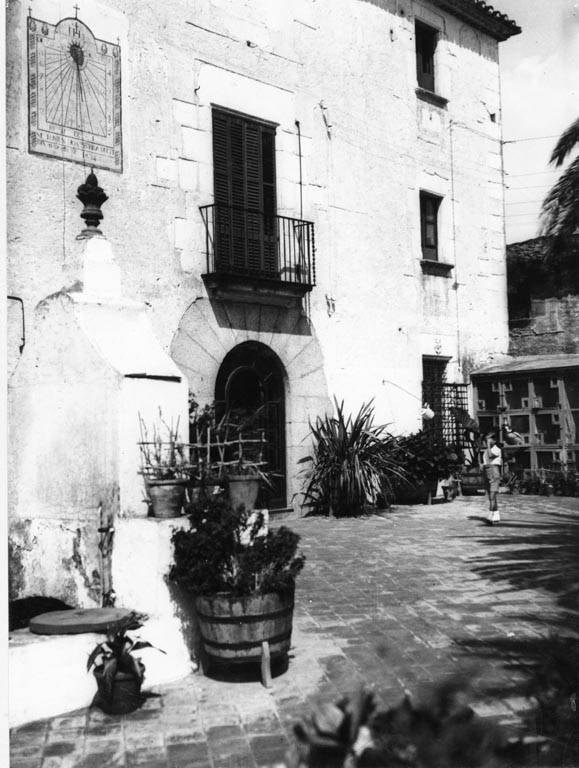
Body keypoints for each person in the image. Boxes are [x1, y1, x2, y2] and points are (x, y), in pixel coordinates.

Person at [481, 432, 502, 524]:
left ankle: (491, 515)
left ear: (494, 440)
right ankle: (496, 515)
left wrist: (489, 445)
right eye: (486, 440)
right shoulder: (487, 450)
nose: (487, 441)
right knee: (490, 494)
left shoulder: (497, 448)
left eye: (489, 439)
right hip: (487, 471)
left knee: (492, 495)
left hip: (493, 470)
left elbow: (490, 456)